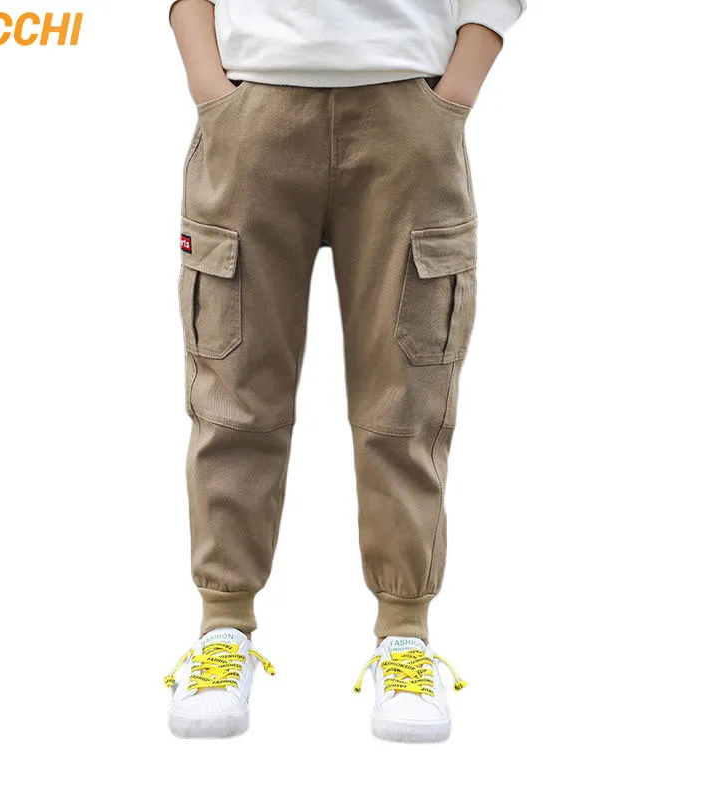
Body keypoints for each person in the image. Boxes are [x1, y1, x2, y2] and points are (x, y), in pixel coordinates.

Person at [163, 0, 525, 742]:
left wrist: (453, 97)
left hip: (408, 114)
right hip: (251, 110)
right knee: (232, 387)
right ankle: (224, 625)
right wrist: (210, 87)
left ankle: (405, 635)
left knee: (408, 393)